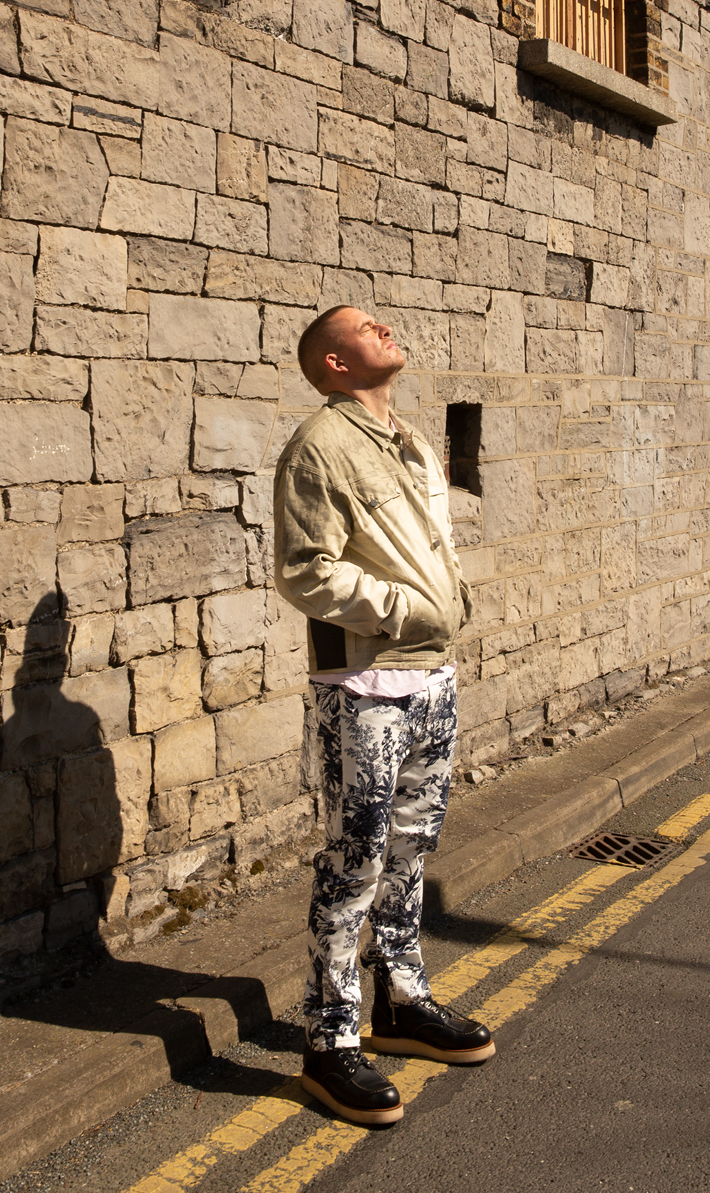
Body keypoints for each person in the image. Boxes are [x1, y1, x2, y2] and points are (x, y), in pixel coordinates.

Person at [273, 305, 495, 1127]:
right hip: (364, 682)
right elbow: (305, 571)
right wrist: (402, 608)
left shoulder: (407, 441)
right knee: (356, 856)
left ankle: (399, 999)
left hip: (432, 675)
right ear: (334, 363)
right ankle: (329, 1039)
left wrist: (451, 599)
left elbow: (433, 544)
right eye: (367, 327)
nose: (387, 328)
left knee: (411, 849)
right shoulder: (319, 447)